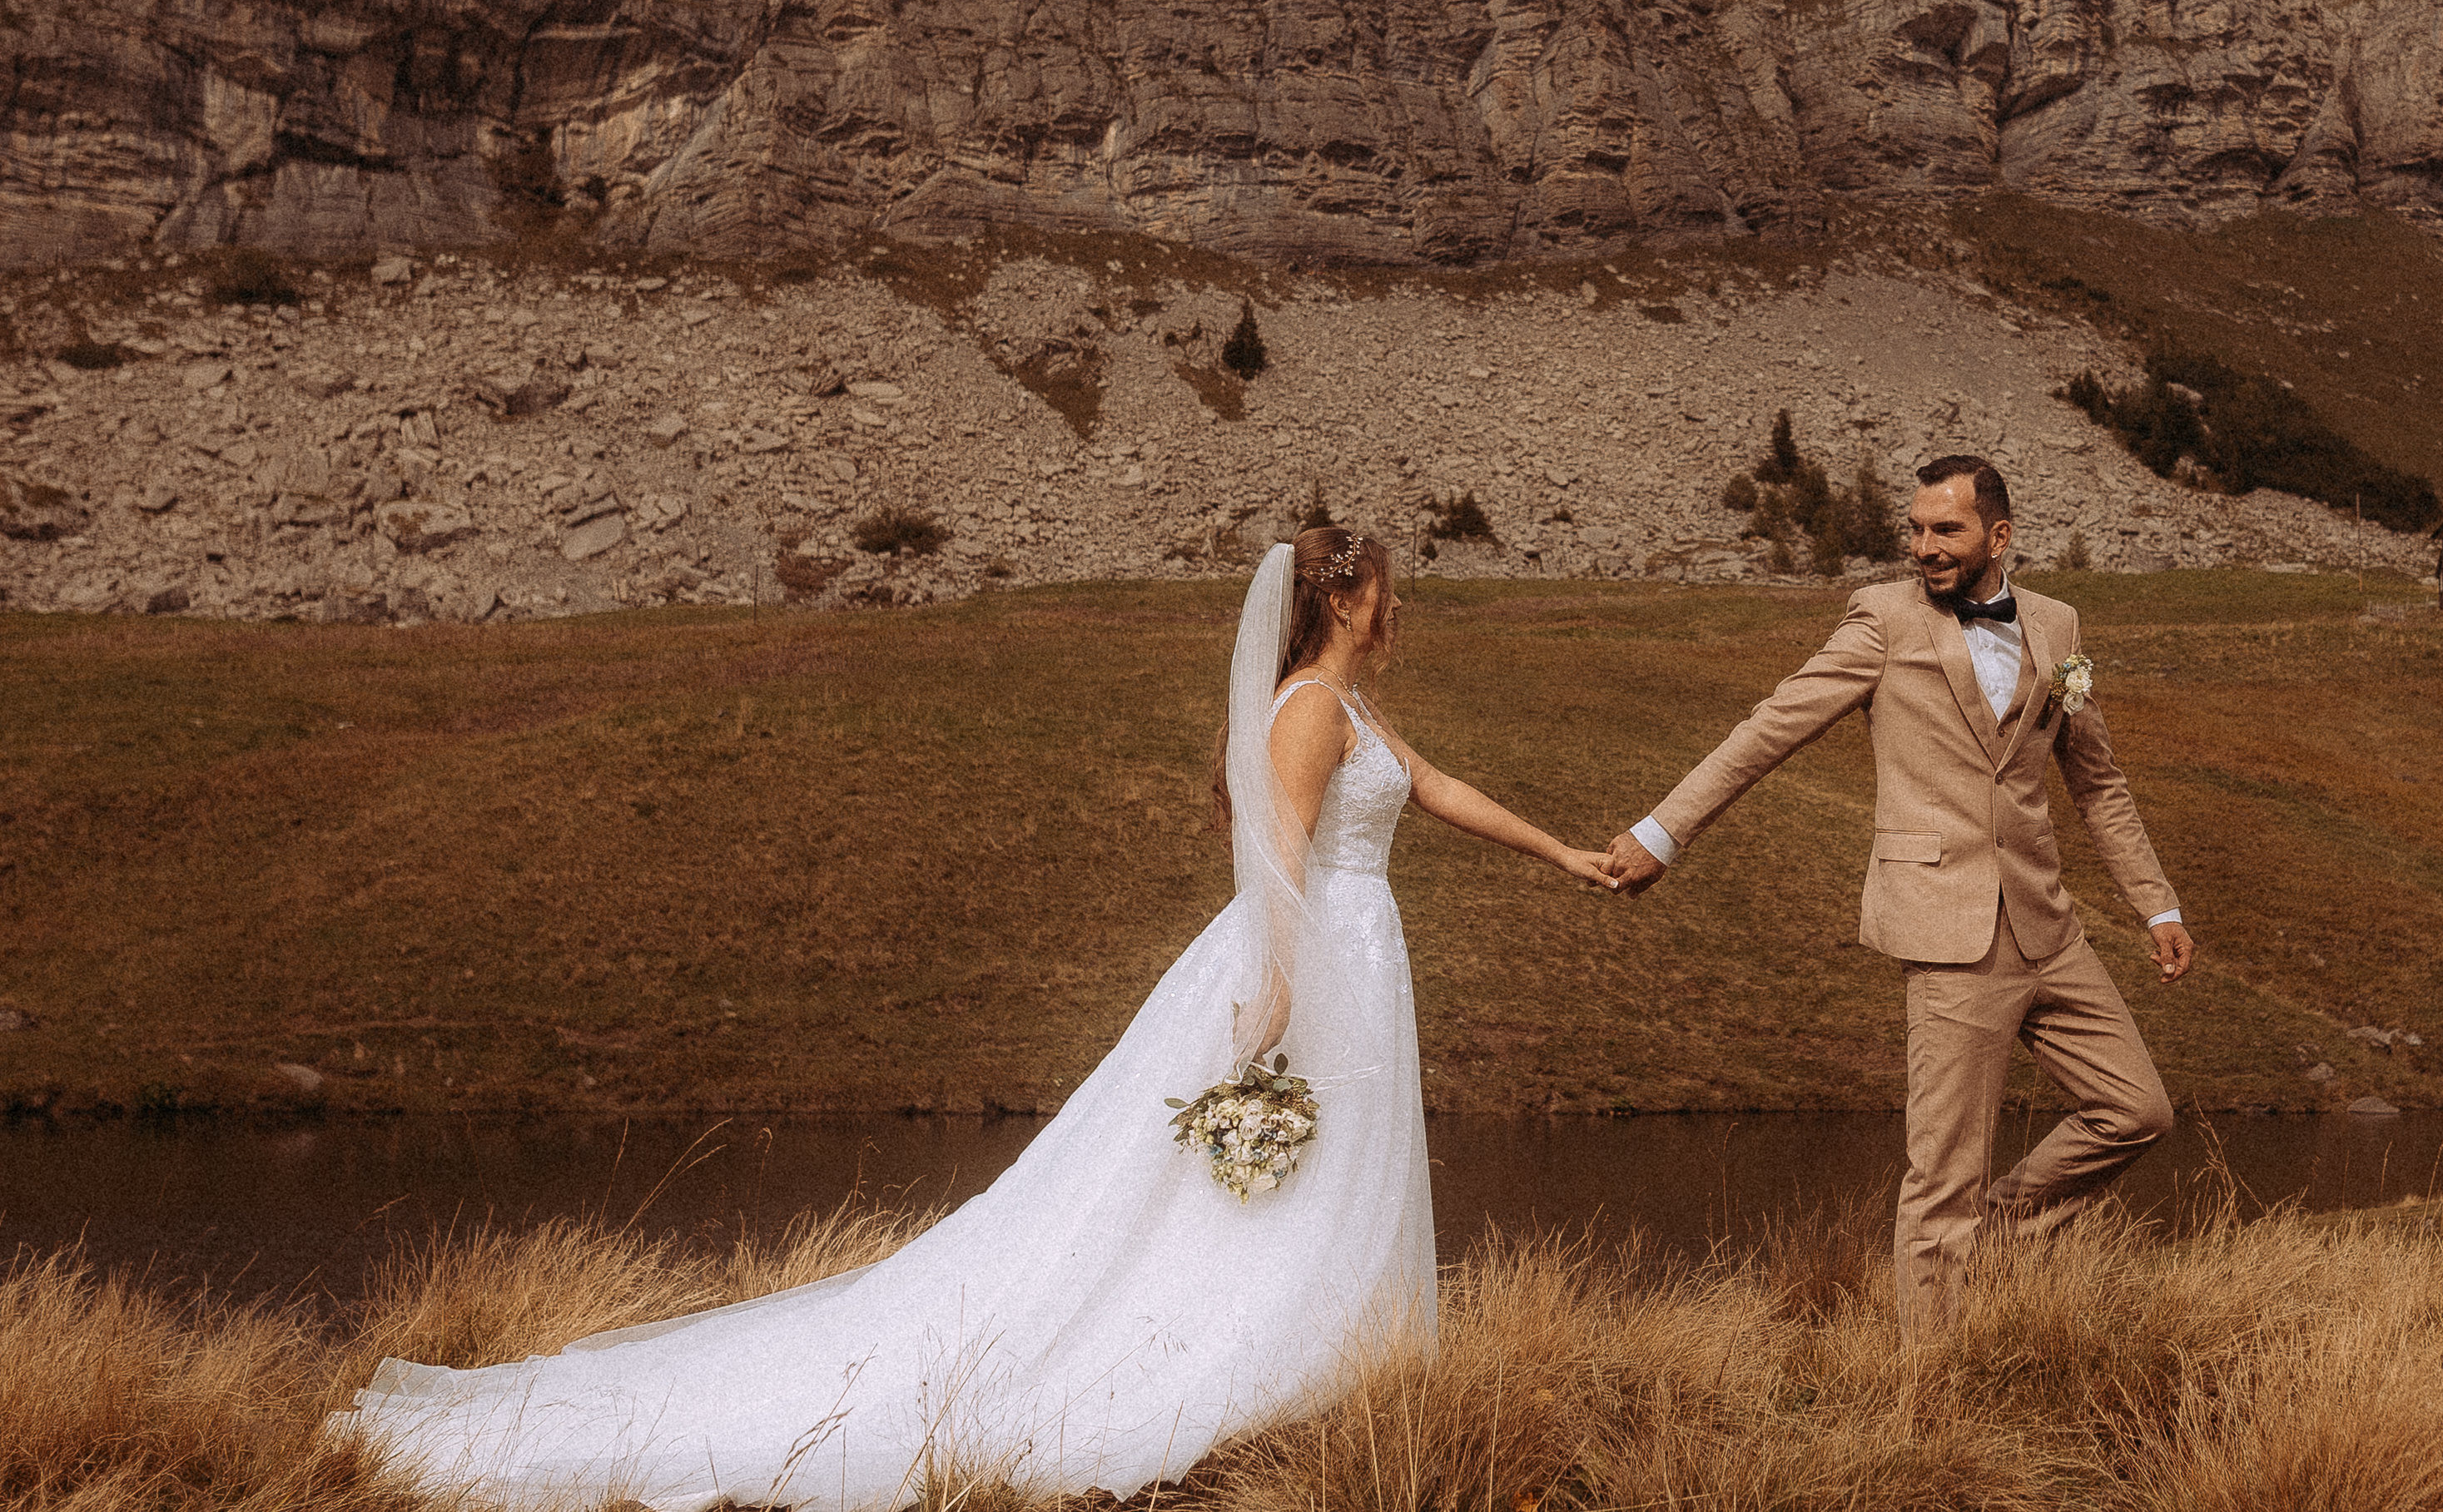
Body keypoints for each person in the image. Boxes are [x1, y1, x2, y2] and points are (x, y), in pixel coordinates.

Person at [338, 529, 1611, 1508]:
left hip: (1361, 951)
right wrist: (1276, 985)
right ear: (1342, 597)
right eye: (1385, 587)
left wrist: (1565, 854)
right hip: (1315, 950)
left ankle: (1332, 1360)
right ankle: (1255, 1359)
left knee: (1337, 1175)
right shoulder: (1308, 710)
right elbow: (1275, 851)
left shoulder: (1359, 711)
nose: (1400, 608)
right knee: (1230, 1188)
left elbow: (1434, 788)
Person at [1604, 455, 2192, 1333]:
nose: (1924, 547)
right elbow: (1770, 730)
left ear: (1998, 537)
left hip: (2046, 925)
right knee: (1941, 1177)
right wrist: (1662, 832)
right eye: (1914, 530)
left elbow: (2097, 784)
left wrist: (2158, 903)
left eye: (1945, 530)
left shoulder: (2059, 626)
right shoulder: (1881, 620)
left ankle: (1991, 1234)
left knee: (2136, 1109)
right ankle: (1926, 1394)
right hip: (1946, 931)